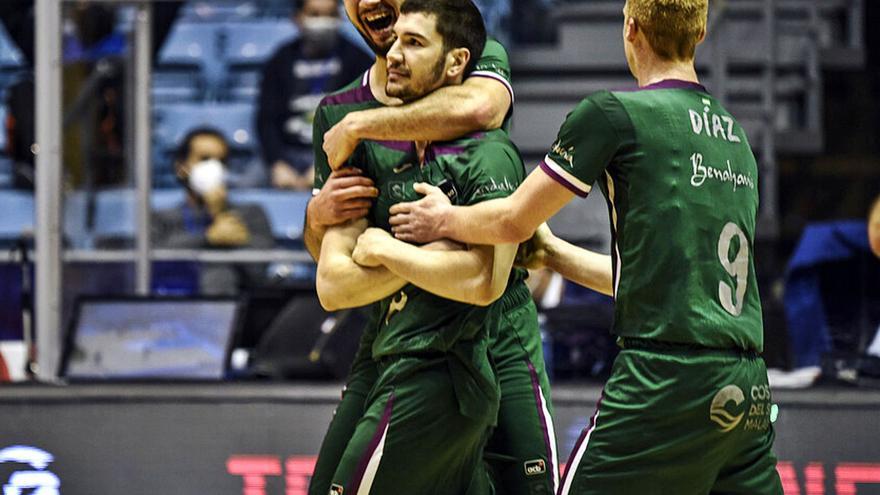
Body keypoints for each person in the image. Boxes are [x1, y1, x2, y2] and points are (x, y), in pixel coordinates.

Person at [389, 0, 785, 493]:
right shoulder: (737, 138)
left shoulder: (614, 114)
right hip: (746, 386)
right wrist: (553, 254)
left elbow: (512, 219)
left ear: (630, 27)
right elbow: (657, 287)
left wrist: (443, 218)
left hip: (665, 379)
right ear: (701, 31)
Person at [305, 1, 559, 494]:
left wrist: (363, 126)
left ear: (454, 60)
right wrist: (316, 219)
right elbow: (332, 280)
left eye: (414, 42)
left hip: (494, 334)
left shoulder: (477, 61)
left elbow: (481, 107)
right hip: (397, 333)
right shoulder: (336, 111)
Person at [256, 0, 372, 190]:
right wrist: (276, 162)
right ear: (297, 18)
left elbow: (364, 118)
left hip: (339, 153)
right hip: (286, 153)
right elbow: (266, 119)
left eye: (329, 15)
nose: (323, 22)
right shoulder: (279, 60)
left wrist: (326, 163)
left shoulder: (359, 60)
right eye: (315, 15)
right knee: (246, 184)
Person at [152, 128, 274, 296]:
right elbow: (153, 263)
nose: (214, 167)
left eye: (221, 161)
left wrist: (220, 211)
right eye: (204, 159)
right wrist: (209, 237)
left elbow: (258, 271)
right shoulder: (161, 217)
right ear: (181, 167)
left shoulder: (251, 214)